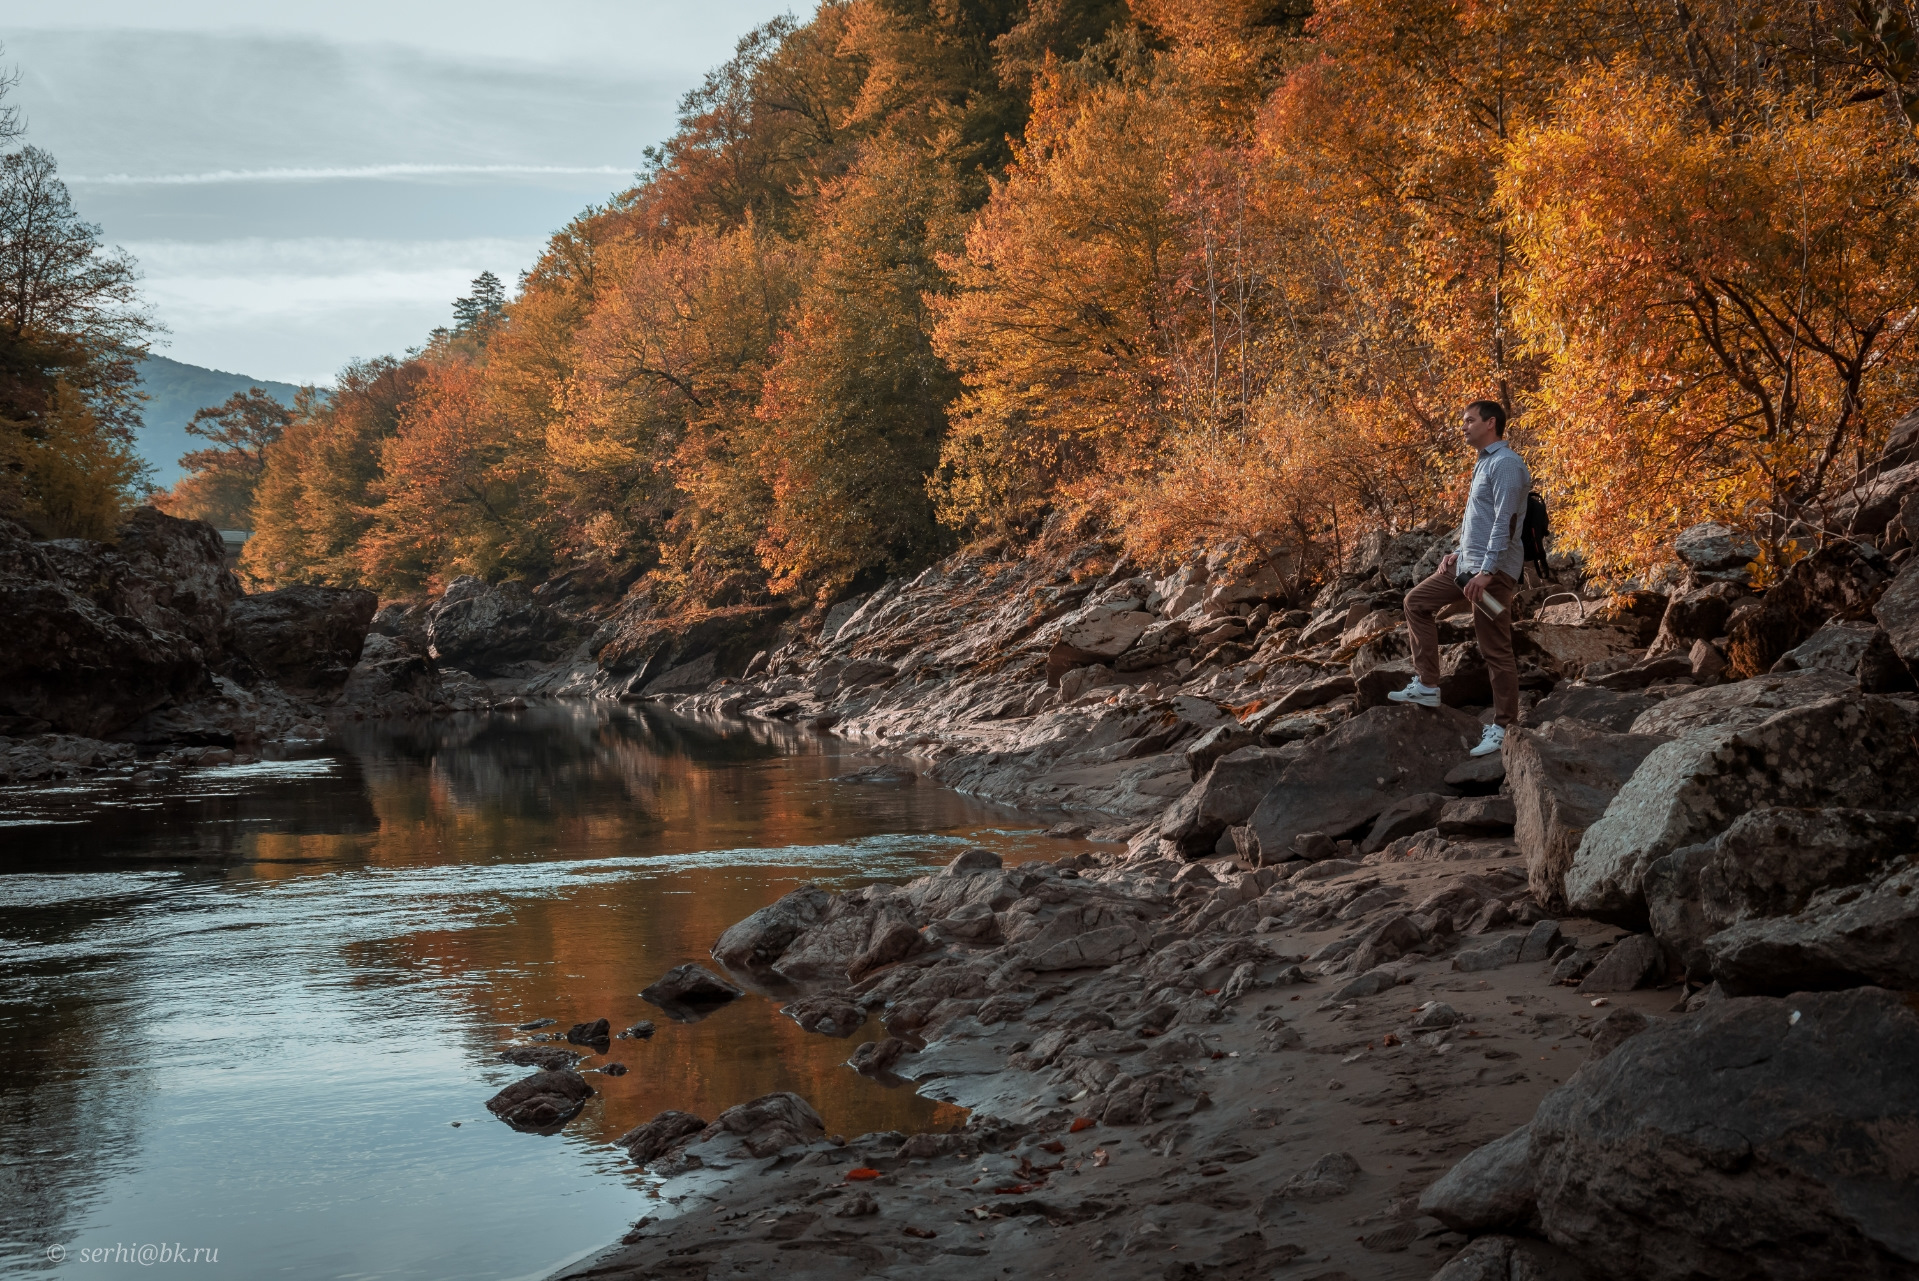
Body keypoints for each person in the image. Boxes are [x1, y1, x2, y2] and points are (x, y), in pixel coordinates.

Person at [1388, 399, 1530, 758]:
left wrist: (1486, 571)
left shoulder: (1507, 464)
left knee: (1495, 647)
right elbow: (1480, 520)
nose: (1463, 426)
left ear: (1491, 423)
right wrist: (1459, 552)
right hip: (1467, 566)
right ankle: (1427, 684)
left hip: (1492, 574)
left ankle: (1504, 727)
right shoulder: (1484, 463)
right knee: (1416, 603)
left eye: (1469, 420)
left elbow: (1506, 523)